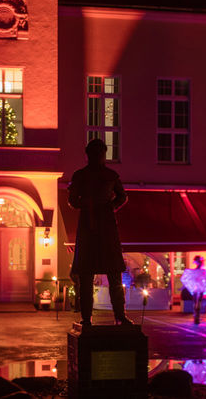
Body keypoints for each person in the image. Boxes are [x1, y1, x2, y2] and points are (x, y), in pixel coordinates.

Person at [68, 138, 134, 329]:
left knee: (114, 274)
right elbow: (72, 200)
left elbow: (122, 196)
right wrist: (85, 204)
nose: (97, 157)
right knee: (86, 276)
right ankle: (87, 317)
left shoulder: (111, 175)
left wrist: (109, 207)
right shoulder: (80, 176)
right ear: (88, 155)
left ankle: (120, 315)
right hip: (88, 225)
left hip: (106, 226)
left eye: (100, 153)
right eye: (94, 153)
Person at [180, 255, 206, 324]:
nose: (198, 263)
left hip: (199, 288)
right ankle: (196, 314)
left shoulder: (202, 272)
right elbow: (188, 279)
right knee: (196, 302)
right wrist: (183, 287)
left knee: (197, 302)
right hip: (196, 288)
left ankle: (196, 315)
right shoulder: (195, 272)